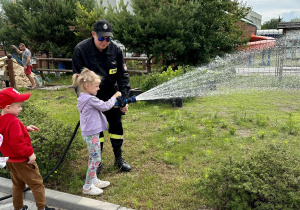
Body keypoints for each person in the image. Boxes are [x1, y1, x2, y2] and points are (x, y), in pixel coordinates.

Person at [72, 19, 132, 172]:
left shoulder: (116, 51)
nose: (105, 42)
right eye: (101, 38)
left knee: (116, 125)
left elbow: (123, 76)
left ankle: (118, 158)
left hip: (112, 94)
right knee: (96, 130)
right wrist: (86, 102)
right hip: (92, 97)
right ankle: (97, 161)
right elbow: (78, 80)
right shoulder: (81, 50)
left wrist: (124, 99)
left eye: (108, 38)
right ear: (93, 34)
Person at [0, 87, 54, 210]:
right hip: (23, 160)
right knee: (37, 184)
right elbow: (17, 142)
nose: (21, 108)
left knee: (17, 185)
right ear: (8, 107)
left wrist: (24, 128)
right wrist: (30, 154)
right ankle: (42, 208)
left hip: (10, 161)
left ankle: (18, 207)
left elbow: (8, 133)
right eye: (19, 106)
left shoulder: (1, 119)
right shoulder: (14, 121)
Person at [72, 68, 121, 195]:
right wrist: (115, 96)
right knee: (96, 159)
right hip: (91, 133)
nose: (98, 89)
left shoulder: (84, 97)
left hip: (90, 133)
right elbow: (105, 106)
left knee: (93, 157)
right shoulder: (90, 99)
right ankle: (87, 187)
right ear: (87, 86)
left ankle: (94, 180)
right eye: (97, 86)